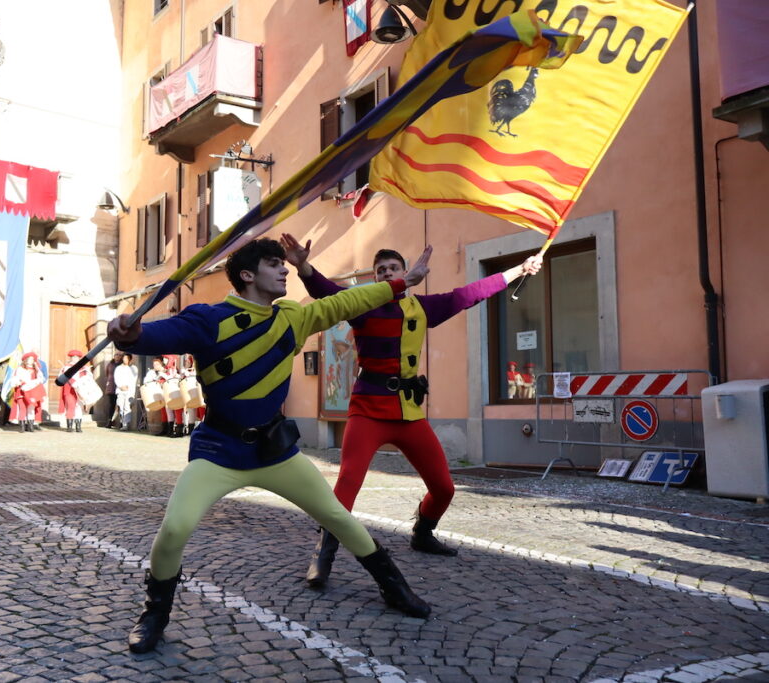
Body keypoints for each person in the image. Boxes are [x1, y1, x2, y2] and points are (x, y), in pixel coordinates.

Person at [106, 237, 434, 654]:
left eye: (284, 264)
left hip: (275, 451)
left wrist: (402, 283)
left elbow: (348, 303)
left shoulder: (291, 318)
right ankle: (154, 614)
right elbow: (151, 335)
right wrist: (129, 334)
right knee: (175, 528)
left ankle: (394, 589)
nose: (285, 271)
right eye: (274, 264)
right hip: (220, 452)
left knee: (339, 516)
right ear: (247, 275)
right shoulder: (208, 319)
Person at [281, 233, 543, 588]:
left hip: (409, 414)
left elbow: (470, 294)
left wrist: (519, 270)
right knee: (347, 485)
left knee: (445, 488)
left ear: (405, 272)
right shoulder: (362, 304)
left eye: (393, 268)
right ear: (375, 279)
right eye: (381, 271)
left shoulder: (423, 307)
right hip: (367, 411)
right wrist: (302, 266)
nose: (387, 274)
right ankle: (322, 555)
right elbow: (327, 292)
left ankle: (422, 533)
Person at [12, 352, 45, 432]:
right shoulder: (20, 369)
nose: (31, 361)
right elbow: (15, 379)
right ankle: (22, 427)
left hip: (32, 391)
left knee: (31, 408)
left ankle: (30, 426)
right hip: (22, 391)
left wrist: (37, 369)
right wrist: (19, 383)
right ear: (25, 360)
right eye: (29, 359)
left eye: (33, 359)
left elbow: (41, 379)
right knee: (22, 408)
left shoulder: (36, 370)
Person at [180, 354, 205, 435]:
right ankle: (190, 430)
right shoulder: (187, 370)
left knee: (202, 409)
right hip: (190, 391)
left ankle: (203, 430)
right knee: (191, 409)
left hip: (199, 390)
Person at [113, 352, 139, 431]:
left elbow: (133, 379)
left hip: (129, 390)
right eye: (124, 358)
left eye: (127, 358)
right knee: (121, 406)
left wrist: (128, 386)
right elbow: (116, 378)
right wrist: (121, 386)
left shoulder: (134, 368)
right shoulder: (118, 368)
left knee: (127, 407)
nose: (125, 360)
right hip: (120, 390)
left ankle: (126, 424)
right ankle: (122, 422)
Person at [103, 352, 123, 428]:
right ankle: (109, 421)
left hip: (119, 386)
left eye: (119, 355)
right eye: (116, 355)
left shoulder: (121, 365)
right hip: (111, 386)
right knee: (111, 405)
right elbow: (107, 374)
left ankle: (122, 422)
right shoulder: (110, 364)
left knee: (121, 405)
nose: (117, 356)